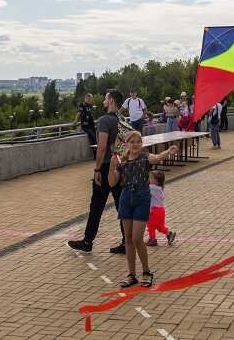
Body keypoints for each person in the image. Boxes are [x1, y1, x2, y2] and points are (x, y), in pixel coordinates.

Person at [110, 131, 178, 288]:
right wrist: (111, 167)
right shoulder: (123, 161)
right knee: (127, 237)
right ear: (126, 144)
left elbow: (157, 157)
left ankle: (146, 272)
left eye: (138, 141)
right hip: (126, 197)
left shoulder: (144, 157)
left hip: (141, 197)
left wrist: (168, 151)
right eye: (132, 141)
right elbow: (112, 182)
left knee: (136, 238)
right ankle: (131, 274)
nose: (135, 144)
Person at [67, 89, 127, 254]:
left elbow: (101, 147)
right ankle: (126, 242)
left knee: (96, 206)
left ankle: (87, 241)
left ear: (112, 101)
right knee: (121, 206)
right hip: (120, 166)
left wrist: (97, 169)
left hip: (107, 166)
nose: (103, 101)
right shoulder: (121, 119)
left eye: (106, 99)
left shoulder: (104, 120)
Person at [146, 170, 176, 247]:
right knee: (160, 226)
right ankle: (169, 233)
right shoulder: (160, 188)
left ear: (156, 180)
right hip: (161, 210)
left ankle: (152, 239)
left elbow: (143, 187)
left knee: (151, 226)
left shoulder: (152, 188)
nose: (149, 179)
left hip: (154, 210)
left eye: (150, 178)